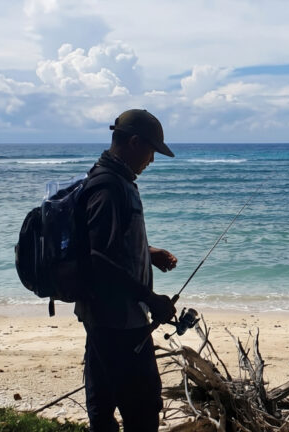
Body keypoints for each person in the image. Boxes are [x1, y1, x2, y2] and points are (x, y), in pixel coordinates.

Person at [74, 109, 179, 431]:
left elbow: (104, 244)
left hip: (104, 315)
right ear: (135, 142)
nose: (152, 160)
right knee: (144, 409)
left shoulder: (110, 180)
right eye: (151, 151)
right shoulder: (108, 187)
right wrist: (150, 298)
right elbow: (98, 258)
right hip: (118, 319)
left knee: (102, 402)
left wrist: (147, 253)